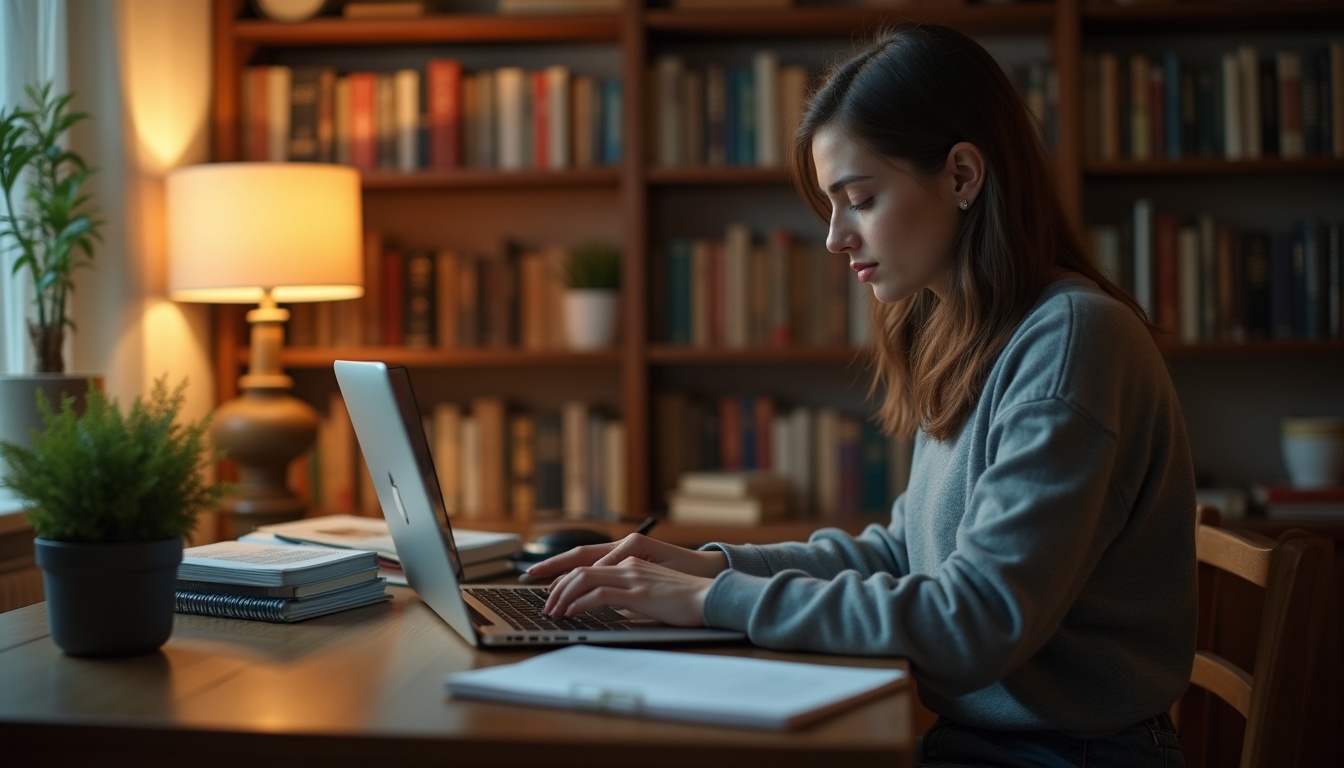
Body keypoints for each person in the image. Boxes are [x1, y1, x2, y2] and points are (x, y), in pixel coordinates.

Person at [529, 23, 1196, 768]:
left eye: (861, 199)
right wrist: (707, 568)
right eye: (832, 206)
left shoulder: (1071, 343)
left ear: (964, 176)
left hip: (1067, 754)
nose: (835, 238)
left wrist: (709, 604)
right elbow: (905, 552)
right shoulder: (969, 331)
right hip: (991, 743)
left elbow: (974, 621)